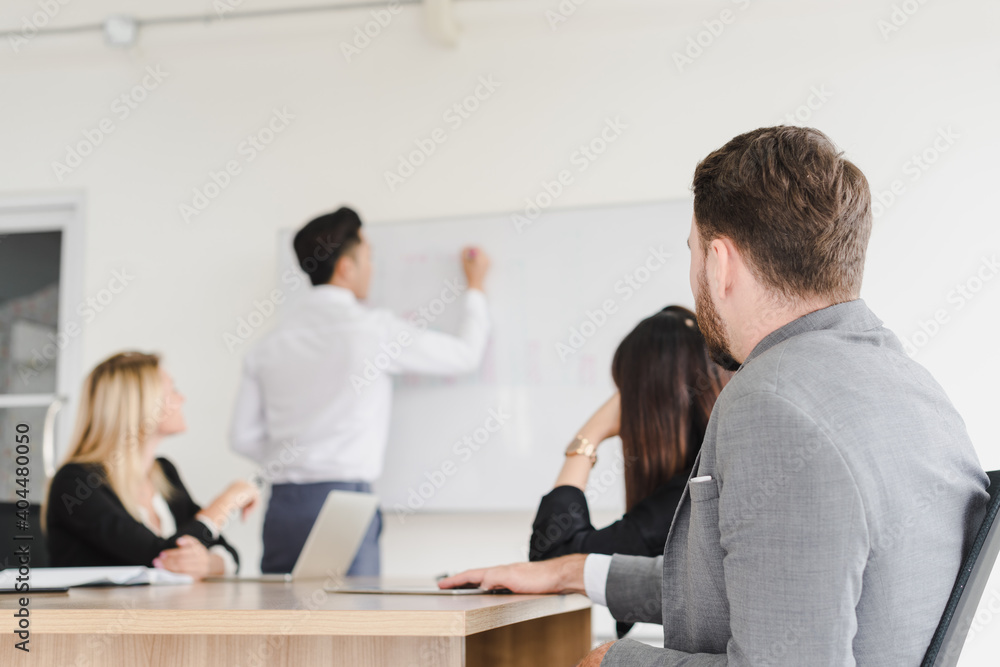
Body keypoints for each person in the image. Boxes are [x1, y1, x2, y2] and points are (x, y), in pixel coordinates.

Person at [440, 126, 990, 666]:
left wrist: (614, 661)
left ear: (720, 263)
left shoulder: (775, 403)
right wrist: (571, 571)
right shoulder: (913, 389)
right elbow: (761, 588)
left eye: (693, 251)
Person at [230, 206, 491, 576]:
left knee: (281, 624)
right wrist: (476, 288)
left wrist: (296, 457)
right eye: (369, 258)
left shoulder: (269, 345)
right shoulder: (373, 331)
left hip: (283, 504)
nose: (373, 268)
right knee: (357, 624)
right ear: (345, 267)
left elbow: (241, 438)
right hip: (344, 503)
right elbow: (465, 355)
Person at [529, 306, 728, 638]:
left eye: (624, 393)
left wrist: (588, 436)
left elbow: (553, 560)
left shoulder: (687, 493)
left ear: (643, 403)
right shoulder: (704, 472)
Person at [44, 352, 258, 579]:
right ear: (141, 406)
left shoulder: (163, 472)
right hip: (100, 614)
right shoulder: (76, 483)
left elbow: (230, 555)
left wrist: (205, 565)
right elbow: (161, 558)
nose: (182, 398)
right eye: (173, 391)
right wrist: (226, 502)